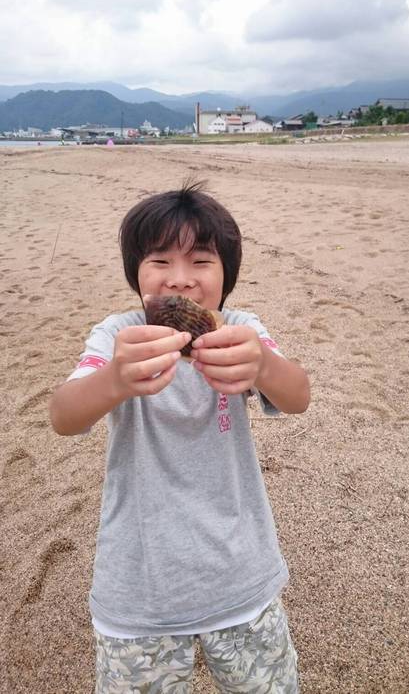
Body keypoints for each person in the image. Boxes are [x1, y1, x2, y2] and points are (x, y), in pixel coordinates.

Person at [49, 181, 310, 693]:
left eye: (201, 262)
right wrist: (115, 380)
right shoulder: (119, 336)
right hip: (139, 588)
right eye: (160, 262)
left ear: (226, 273)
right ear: (136, 272)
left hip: (241, 575)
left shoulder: (240, 330)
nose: (181, 281)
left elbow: (298, 395)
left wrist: (259, 364)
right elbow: (65, 416)